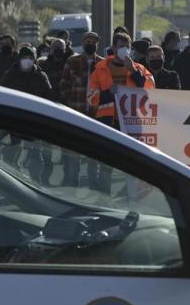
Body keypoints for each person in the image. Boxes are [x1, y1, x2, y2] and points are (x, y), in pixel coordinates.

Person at [88, 33, 154, 192]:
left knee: (131, 164)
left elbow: (150, 91)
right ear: (113, 48)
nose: (124, 50)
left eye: (127, 47)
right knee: (107, 164)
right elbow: (91, 97)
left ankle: (129, 198)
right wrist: (107, 93)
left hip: (132, 123)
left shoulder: (139, 69)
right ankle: (104, 199)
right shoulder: (100, 69)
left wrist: (133, 71)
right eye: (121, 46)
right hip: (108, 122)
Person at [1, 46, 56, 184]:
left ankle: (36, 183)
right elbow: (1, 95)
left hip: (35, 121)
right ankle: (14, 182)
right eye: (25, 58)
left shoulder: (40, 76)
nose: (28, 61)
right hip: (15, 121)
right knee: (13, 153)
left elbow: (49, 96)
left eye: (31, 58)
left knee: (36, 155)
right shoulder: (9, 75)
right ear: (19, 59)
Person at [57, 31, 103, 187]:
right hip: (76, 112)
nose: (90, 44)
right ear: (83, 43)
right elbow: (63, 85)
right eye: (88, 41)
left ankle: (94, 185)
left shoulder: (103, 64)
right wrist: (71, 100)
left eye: (93, 42)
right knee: (74, 152)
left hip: (95, 115)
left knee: (94, 153)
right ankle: (71, 183)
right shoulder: (72, 61)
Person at [40, 37, 73, 102]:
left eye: (61, 47)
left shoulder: (70, 65)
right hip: (50, 100)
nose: (58, 49)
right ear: (51, 49)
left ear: (65, 49)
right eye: (56, 47)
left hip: (66, 101)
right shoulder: (44, 66)